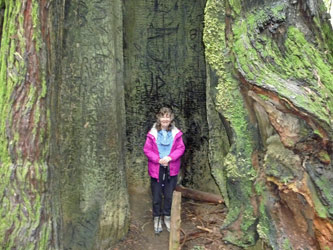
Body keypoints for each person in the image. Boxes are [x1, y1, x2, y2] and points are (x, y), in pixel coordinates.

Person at [143, 107, 185, 234]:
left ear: (171, 118)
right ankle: (156, 219)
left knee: (168, 195)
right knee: (156, 196)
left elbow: (181, 148)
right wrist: (157, 159)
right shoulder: (152, 134)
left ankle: (167, 217)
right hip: (157, 168)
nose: (165, 119)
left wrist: (170, 157)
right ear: (159, 118)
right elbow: (147, 150)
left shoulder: (176, 133)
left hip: (171, 168)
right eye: (163, 116)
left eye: (168, 116)